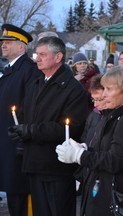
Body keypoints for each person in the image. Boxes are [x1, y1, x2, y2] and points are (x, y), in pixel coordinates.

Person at [55, 65, 123, 215]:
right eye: (104, 88)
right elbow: (105, 150)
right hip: (102, 190)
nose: (104, 94)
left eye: (109, 89)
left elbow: (114, 160)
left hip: (111, 195)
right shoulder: (114, 115)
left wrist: (79, 156)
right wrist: (84, 149)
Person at [8, 36, 89, 216]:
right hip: (33, 162)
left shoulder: (73, 89)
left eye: (43, 55)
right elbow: (26, 115)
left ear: (58, 57)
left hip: (56, 167)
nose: (37, 58)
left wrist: (29, 131)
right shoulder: (36, 83)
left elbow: (70, 128)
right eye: (37, 54)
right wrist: (19, 128)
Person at [0, 23, 40, 216]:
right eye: (3, 42)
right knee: (14, 198)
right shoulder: (11, 70)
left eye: (8, 42)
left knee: (22, 201)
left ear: (22, 46)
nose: (3, 45)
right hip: (7, 143)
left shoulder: (29, 71)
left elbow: (30, 107)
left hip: (19, 144)